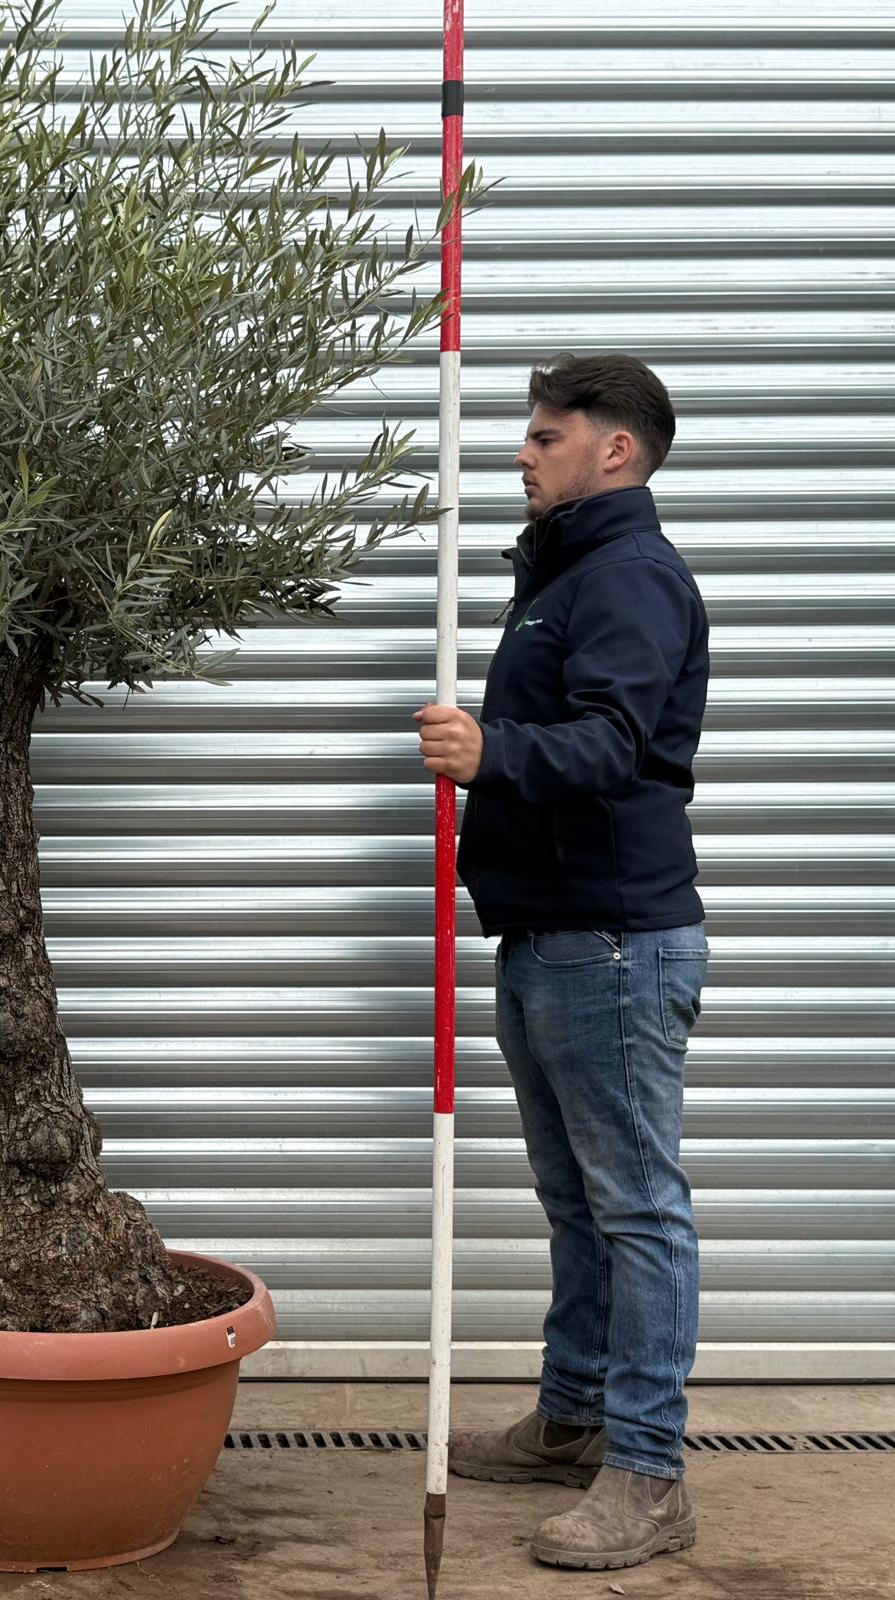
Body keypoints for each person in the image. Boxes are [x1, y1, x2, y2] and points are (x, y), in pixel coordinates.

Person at [414, 352, 711, 1571]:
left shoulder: (629, 579)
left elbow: (608, 744)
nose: (520, 454)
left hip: (613, 939)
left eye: (543, 436)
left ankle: (646, 1474)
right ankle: (571, 1417)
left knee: (636, 1207)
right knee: (578, 1202)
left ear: (614, 450)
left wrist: (491, 751)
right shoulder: (567, 576)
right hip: (548, 931)